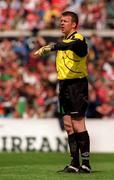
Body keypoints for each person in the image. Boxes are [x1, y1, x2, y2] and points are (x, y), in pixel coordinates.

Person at [34, 11, 91, 173]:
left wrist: (49, 47)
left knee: (78, 122)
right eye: (61, 21)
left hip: (77, 85)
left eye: (65, 21)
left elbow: (70, 45)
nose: (61, 23)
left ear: (74, 24)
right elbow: (63, 45)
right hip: (64, 85)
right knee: (68, 125)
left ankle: (86, 163)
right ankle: (74, 162)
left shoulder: (78, 39)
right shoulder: (64, 41)